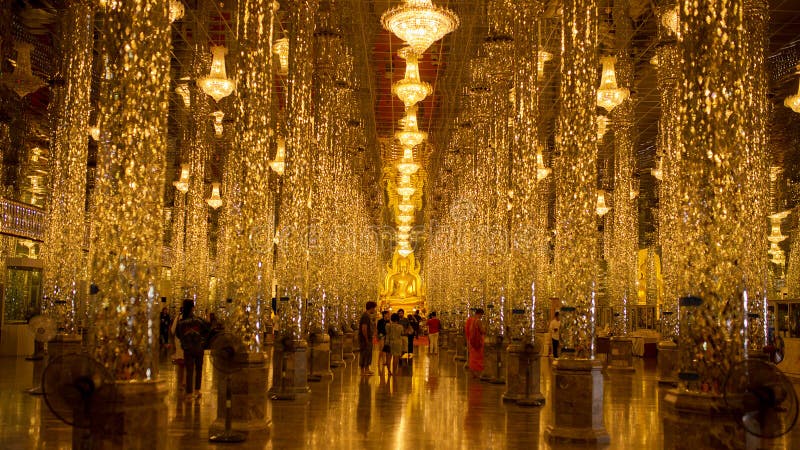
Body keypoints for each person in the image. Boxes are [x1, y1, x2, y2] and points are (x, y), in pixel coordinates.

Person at [175, 299, 211, 399]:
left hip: (187, 349)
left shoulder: (181, 322)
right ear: (192, 308)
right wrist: (202, 339)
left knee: (189, 370)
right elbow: (208, 328)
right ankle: (197, 391)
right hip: (198, 347)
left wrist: (185, 340)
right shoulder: (198, 320)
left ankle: (189, 393)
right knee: (199, 369)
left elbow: (178, 334)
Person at [465, 308, 485, 379]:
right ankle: (478, 373)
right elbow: (482, 331)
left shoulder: (472, 320)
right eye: (481, 315)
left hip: (472, 341)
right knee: (478, 357)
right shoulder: (478, 321)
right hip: (478, 341)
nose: (481, 316)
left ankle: (473, 372)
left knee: (472, 357)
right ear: (479, 314)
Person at [359, 301, 378, 376]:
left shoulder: (367, 315)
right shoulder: (365, 316)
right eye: (374, 308)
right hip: (364, 338)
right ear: (372, 308)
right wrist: (366, 339)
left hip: (368, 337)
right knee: (364, 353)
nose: (374, 310)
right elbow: (364, 328)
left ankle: (367, 369)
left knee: (368, 353)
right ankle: (362, 371)